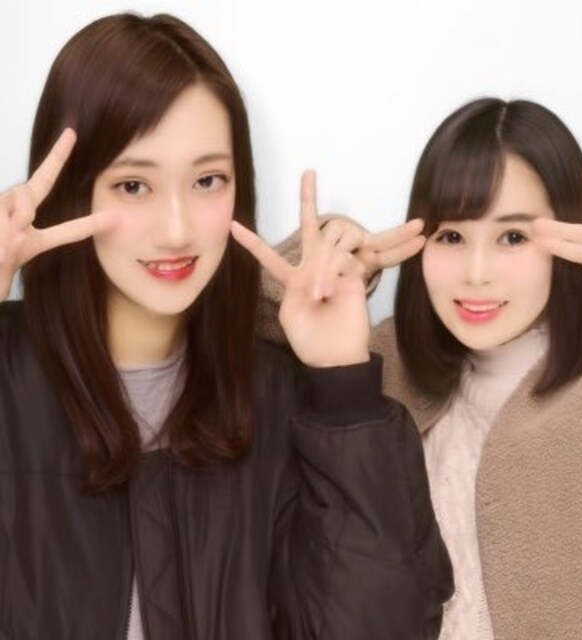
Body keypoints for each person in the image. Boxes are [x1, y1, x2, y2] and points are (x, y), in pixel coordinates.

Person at [0, 12, 453, 639]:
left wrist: (343, 389)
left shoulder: (282, 400)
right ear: (74, 194)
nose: (177, 229)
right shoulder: (11, 380)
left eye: (208, 180)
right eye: (133, 185)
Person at [261, 97, 582, 639]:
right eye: (452, 236)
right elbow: (225, 331)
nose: (476, 273)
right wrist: (322, 268)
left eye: (513, 237)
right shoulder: (384, 366)